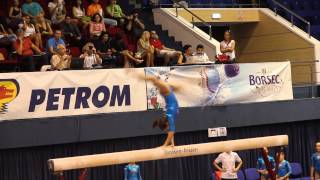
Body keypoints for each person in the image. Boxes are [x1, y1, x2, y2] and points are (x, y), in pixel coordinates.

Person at [141, 75, 180, 147]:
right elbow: (171, 130)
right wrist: (172, 144)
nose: (168, 129)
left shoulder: (169, 115)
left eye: (166, 128)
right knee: (155, 82)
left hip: (168, 98)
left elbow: (171, 131)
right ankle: (171, 143)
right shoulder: (168, 116)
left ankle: (170, 143)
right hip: (168, 101)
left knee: (154, 81)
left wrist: (164, 145)